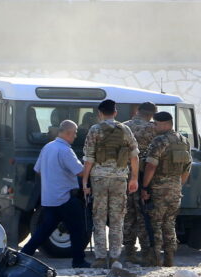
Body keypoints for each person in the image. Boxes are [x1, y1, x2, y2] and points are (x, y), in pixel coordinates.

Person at [20, 120, 90, 269]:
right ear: (69, 133)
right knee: (78, 229)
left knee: (44, 230)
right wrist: (90, 163)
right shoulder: (65, 150)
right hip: (65, 198)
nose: (76, 135)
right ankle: (78, 261)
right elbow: (81, 171)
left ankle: (23, 254)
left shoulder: (48, 147)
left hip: (50, 198)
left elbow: (38, 170)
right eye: (75, 132)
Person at [81, 99, 138, 268]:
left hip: (99, 179)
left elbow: (89, 158)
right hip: (120, 180)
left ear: (100, 113)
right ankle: (114, 258)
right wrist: (134, 178)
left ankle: (100, 258)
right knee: (117, 219)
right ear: (115, 112)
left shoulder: (95, 130)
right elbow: (134, 156)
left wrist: (85, 181)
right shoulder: (125, 130)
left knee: (99, 218)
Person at [140, 112, 193, 267]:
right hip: (175, 189)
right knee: (169, 223)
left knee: (155, 223)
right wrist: (177, 185)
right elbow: (187, 169)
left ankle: (155, 259)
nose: (154, 127)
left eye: (155, 124)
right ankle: (169, 258)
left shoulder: (160, 141)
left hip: (158, 189)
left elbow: (150, 166)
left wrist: (144, 187)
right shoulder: (184, 141)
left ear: (165, 124)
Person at [121, 102, 158, 264]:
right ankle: (146, 253)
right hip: (144, 177)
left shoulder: (123, 127)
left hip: (124, 177)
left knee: (128, 214)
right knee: (144, 214)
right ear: (151, 115)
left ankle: (128, 251)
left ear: (137, 111)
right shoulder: (153, 129)